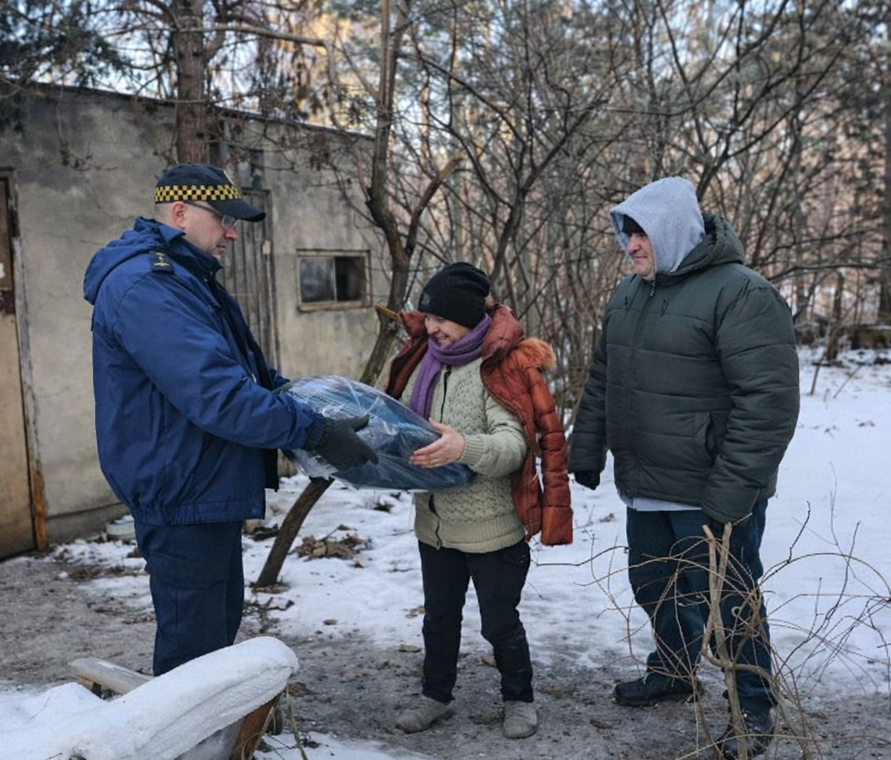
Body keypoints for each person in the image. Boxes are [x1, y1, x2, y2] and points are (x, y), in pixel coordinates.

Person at [82, 162, 378, 676]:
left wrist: (294, 397)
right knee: (191, 656)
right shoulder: (148, 287)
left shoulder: (183, 278)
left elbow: (240, 371)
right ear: (180, 213)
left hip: (200, 486)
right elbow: (218, 396)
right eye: (222, 219)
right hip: (180, 491)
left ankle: (217, 740)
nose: (232, 232)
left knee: (214, 635)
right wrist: (311, 429)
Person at [568, 177, 799, 759]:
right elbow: (603, 380)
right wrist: (587, 446)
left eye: (640, 232)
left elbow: (768, 402)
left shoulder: (741, 293)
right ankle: (673, 671)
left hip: (709, 489)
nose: (630, 245)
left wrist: (732, 489)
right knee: (655, 586)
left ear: (672, 230)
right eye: (626, 233)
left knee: (730, 603)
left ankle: (752, 708)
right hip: (647, 483)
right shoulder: (627, 296)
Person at [382, 262, 573, 740]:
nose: (431, 328)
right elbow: (400, 421)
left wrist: (462, 447)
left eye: (441, 319)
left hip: (493, 528)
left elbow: (515, 446)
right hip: (436, 524)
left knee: (499, 623)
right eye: (426, 319)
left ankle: (519, 700)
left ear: (467, 317)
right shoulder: (423, 359)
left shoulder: (497, 366)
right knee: (439, 620)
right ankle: (436, 696)